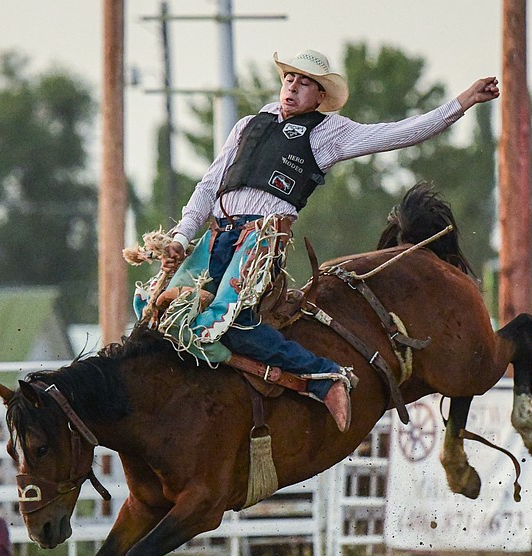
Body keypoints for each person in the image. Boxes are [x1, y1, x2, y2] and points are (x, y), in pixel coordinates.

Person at [160, 49, 501, 432]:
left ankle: (324, 375)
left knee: (231, 323)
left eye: (305, 83)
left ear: (320, 96)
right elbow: (209, 185)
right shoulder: (247, 126)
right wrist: (181, 235)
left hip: (258, 245)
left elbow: (397, 132)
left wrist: (464, 101)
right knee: (162, 314)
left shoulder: (327, 133)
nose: (293, 87)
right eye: (290, 78)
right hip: (216, 238)